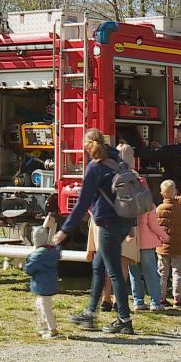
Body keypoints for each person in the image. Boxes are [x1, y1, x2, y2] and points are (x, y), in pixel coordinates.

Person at [53, 128, 135, 335]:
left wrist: (65, 230)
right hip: (124, 220)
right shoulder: (118, 160)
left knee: (114, 271)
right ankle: (90, 314)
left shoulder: (94, 168)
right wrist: (132, 225)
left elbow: (82, 203)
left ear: (88, 147)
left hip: (108, 223)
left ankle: (124, 320)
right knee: (99, 265)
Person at [135, 121, 181, 196]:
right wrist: (162, 148)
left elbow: (152, 155)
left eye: (178, 132)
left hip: (177, 193)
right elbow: (179, 158)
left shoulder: (175, 150)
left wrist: (134, 149)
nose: (176, 134)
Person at [156, 180, 181, 308]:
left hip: (162, 245)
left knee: (162, 272)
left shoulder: (159, 209)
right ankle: (177, 298)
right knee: (177, 272)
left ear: (161, 194)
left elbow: (155, 226)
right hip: (179, 244)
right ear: (176, 192)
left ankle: (161, 297)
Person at [24, 226, 62, 339]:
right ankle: (43, 327)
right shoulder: (52, 251)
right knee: (40, 305)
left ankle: (52, 330)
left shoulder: (36, 256)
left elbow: (29, 269)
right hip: (50, 283)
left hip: (42, 286)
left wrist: (28, 261)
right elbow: (58, 251)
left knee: (45, 307)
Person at [128, 205, 168, 312]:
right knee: (151, 274)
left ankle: (138, 301)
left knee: (134, 274)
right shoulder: (148, 204)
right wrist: (165, 236)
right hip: (146, 245)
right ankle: (155, 302)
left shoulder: (126, 202)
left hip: (130, 244)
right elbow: (153, 225)